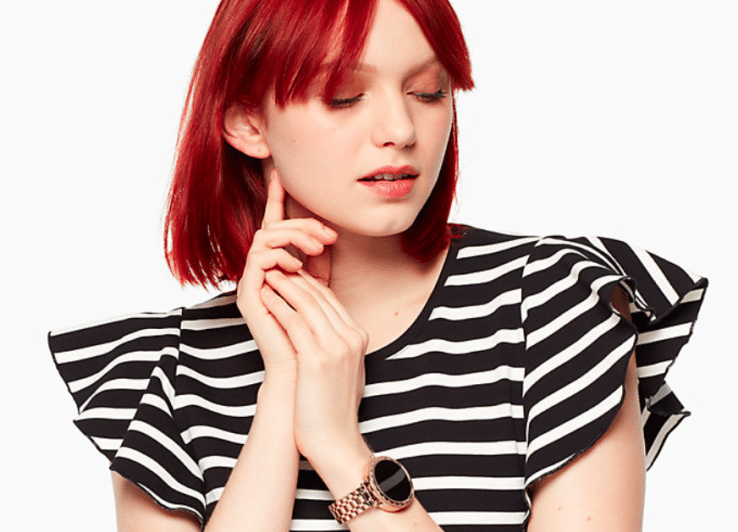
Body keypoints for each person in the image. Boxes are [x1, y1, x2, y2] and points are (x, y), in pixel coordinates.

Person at [48, 0, 707, 530]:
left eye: (429, 92)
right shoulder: (165, 373)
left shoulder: (555, 306)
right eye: (344, 96)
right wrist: (283, 392)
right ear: (248, 123)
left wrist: (339, 447)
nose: (401, 129)